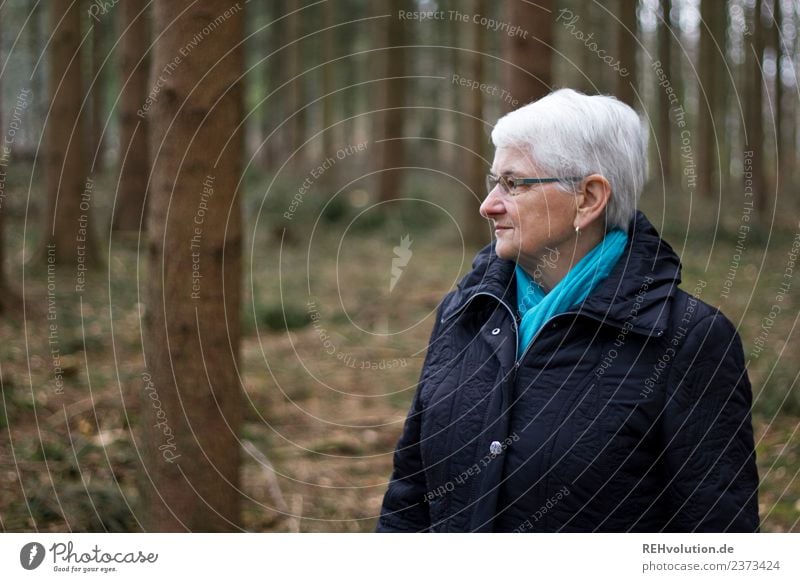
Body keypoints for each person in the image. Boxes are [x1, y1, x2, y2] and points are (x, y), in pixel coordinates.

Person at [376, 88, 760, 532]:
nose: (488, 205)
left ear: (589, 198)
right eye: (493, 181)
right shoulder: (465, 312)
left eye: (514, 183)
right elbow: (410, 493)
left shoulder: (687, 341)